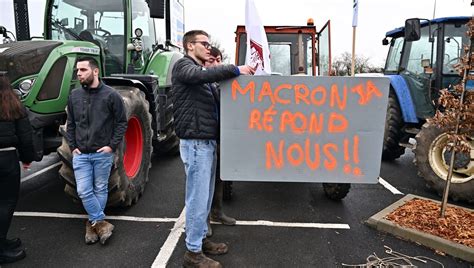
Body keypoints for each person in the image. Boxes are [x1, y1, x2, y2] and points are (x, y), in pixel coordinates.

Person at [172, 30, 254, 267]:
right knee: (197, 198)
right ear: (189, 46)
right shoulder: (183, 66)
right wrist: (236, 69)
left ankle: (200, 241)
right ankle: (193, 253)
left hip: (206, 142)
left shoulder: (201, 76)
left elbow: (217, 97)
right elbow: (205, 74)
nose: (209, 48)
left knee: (205, 197)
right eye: (204, 44)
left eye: (210, 44)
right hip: (196, 143)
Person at [66, 56, 127, 245]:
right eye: (77, 71)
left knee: (100, 188)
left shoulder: (111, 95)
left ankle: (92, 224)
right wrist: (73, 146)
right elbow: (71, 124)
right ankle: (101, 223)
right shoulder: (74, 95)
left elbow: (121, 122)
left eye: (83, 70)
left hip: (102, 154)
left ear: (95, 71)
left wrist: (111, 146)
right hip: (81, 155)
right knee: (84, 190)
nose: (79, 74)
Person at [0, 74, 35, 264]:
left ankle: (3, 242)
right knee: (5, 204)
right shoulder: (13, 104)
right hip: (6, 158)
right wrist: (27, 158)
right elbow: (25, 136)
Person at [204, 47, 236, 238]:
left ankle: (217, 212)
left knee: (219, 177)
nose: (215, 64)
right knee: (204, 182)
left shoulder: (224, 84)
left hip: (220, 137)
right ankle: (205, 220)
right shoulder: (201, 81)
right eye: (211, 60)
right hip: (204, 139)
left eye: (218, 60)